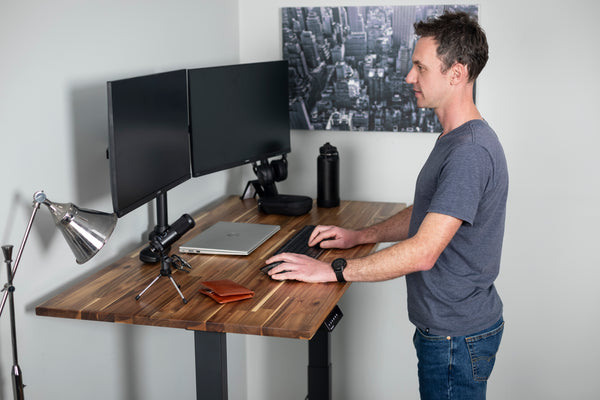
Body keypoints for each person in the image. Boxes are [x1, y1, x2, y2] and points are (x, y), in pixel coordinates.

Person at [266, 10, 508, 400]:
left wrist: (331, 272)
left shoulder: (470, 152)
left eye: (420, 67)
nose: (410, 77)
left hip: (455, 339)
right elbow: (430, 213)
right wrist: (361, 235)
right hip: (452, 331)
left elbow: (424, 251)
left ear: (456, 73)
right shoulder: (458, 139)